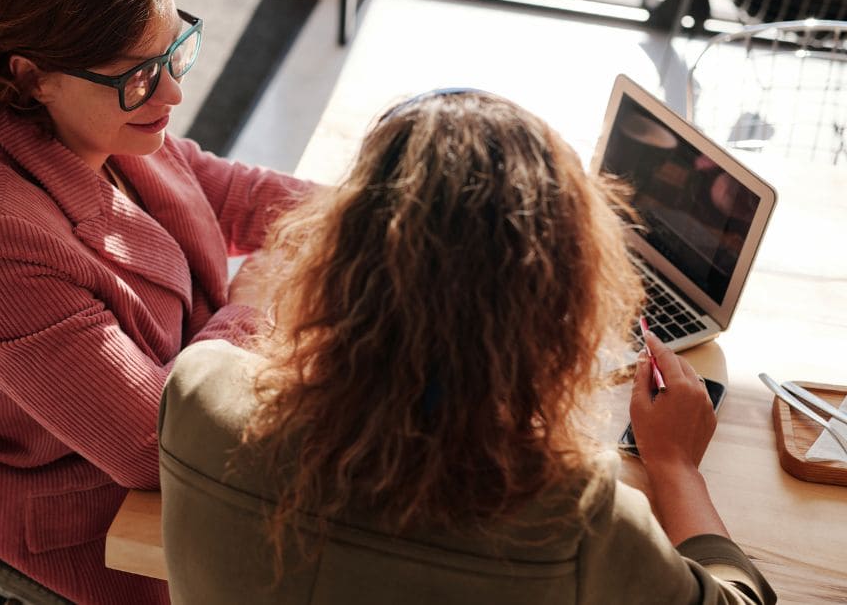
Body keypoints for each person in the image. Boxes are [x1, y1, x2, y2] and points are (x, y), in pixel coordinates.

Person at [158, 89, 776, 604]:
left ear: (333, 255)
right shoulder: (574, 515)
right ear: (557, 309)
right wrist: (676, 467)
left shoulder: (196, 390)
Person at [0, 0, 310, 602]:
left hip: (132, 422)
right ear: (29, 75)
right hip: (71, 504)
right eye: (140, 75)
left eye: (175, 52)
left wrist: (387, 210)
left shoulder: (96, 115)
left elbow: (225, 190)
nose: (171, 94)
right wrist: (254, 298)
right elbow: (150, 444)